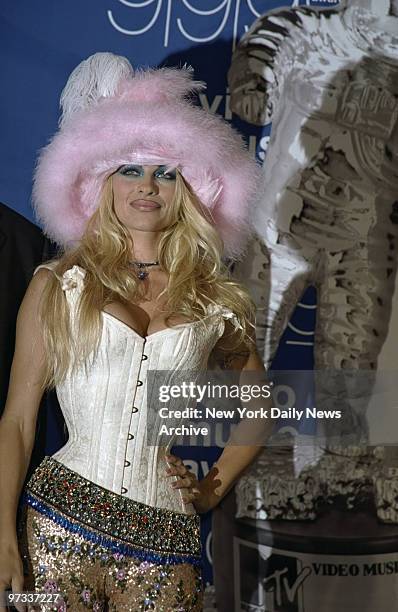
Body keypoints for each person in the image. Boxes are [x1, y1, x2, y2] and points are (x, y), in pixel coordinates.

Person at [0, 53, 271, 612]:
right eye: (130, 169)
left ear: (189, 188)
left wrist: (211, 486)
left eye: (164, 173)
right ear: (101, 182)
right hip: (55, 529)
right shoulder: (59, 283)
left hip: (167, 540)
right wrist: (3, 531)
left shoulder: (211, 297)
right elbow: (19, 422)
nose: (147, 186)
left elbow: (262, 404)